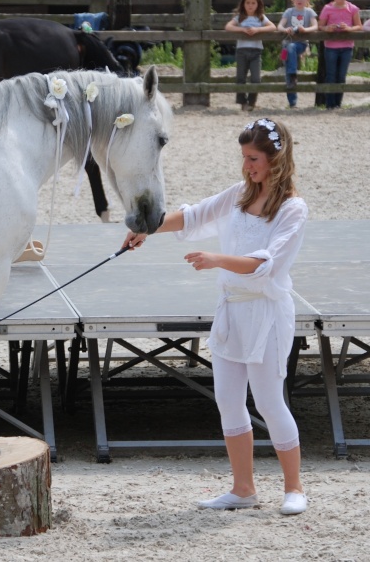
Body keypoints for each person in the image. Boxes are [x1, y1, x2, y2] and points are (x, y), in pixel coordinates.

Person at [123, 118, 309, 516]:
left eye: (254, 158)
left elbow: (266, 263)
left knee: (269, 402)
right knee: (227, 400)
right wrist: (146, 227)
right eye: (243, 158)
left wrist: (216, 259)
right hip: (231, 311)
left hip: (267, 313)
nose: (247, 166)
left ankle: (293, 487)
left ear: (276, 159)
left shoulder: (293, 209)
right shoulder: (240, 194)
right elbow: (193, 216)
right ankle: (243, 489)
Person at [224, 0, 276, 112]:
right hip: (242, 50)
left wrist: (258, 30)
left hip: (256, 51)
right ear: (243, 4)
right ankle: (242, 102)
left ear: (258, 4)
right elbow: (228, 26)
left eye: (253, 3)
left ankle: (252, 101)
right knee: (240, 77)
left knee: (256, 78)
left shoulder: (260, 17)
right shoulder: (240, 18)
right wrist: (242, 30)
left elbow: (272, 26)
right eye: (248, 3)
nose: (250, 5)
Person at [319, 0, 362, 110]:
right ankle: (329, 103)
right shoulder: (327, 8)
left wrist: (349, 28)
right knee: (331, 74)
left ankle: (338, 103)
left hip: (347, 46)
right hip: (331, 47)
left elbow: (359, 25)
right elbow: (320, 25)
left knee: (341, 76)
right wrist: (328, 28)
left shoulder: (353, 8)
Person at [277, 0, 318, 108]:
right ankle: (292, 102)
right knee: (288, 72)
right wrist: (285, 29)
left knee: (291, 51)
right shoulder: (289, 12)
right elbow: (279, 26)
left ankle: (293, 75)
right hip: (289, 43)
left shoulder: (309, 12)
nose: (299, 0)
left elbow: (315, 26)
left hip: (301, 43)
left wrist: (305, 29)